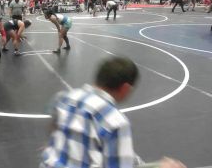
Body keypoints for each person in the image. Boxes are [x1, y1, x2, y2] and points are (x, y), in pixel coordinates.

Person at [40, 56, 186, 168]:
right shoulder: (114, 121)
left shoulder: (63, 97)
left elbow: (53, 127)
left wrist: (54, 144)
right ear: (125, 88)